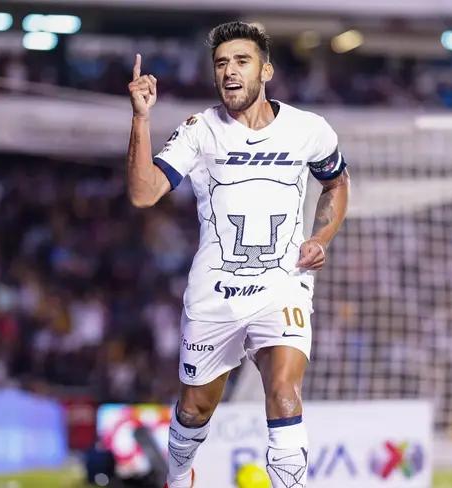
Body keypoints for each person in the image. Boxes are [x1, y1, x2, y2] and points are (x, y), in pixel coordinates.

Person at [127, 21, 349, 488]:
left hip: (282, 286)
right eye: (221, 64)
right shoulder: (199, 131)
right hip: (216, 294)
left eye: (241, 61)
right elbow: (144, 193)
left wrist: (320, 238)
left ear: (265, 70)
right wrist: (142, 118)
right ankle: (178, 474)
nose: (230, 72)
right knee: (194, 409)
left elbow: (336, 182)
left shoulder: (309, 130)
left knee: (285, 393)